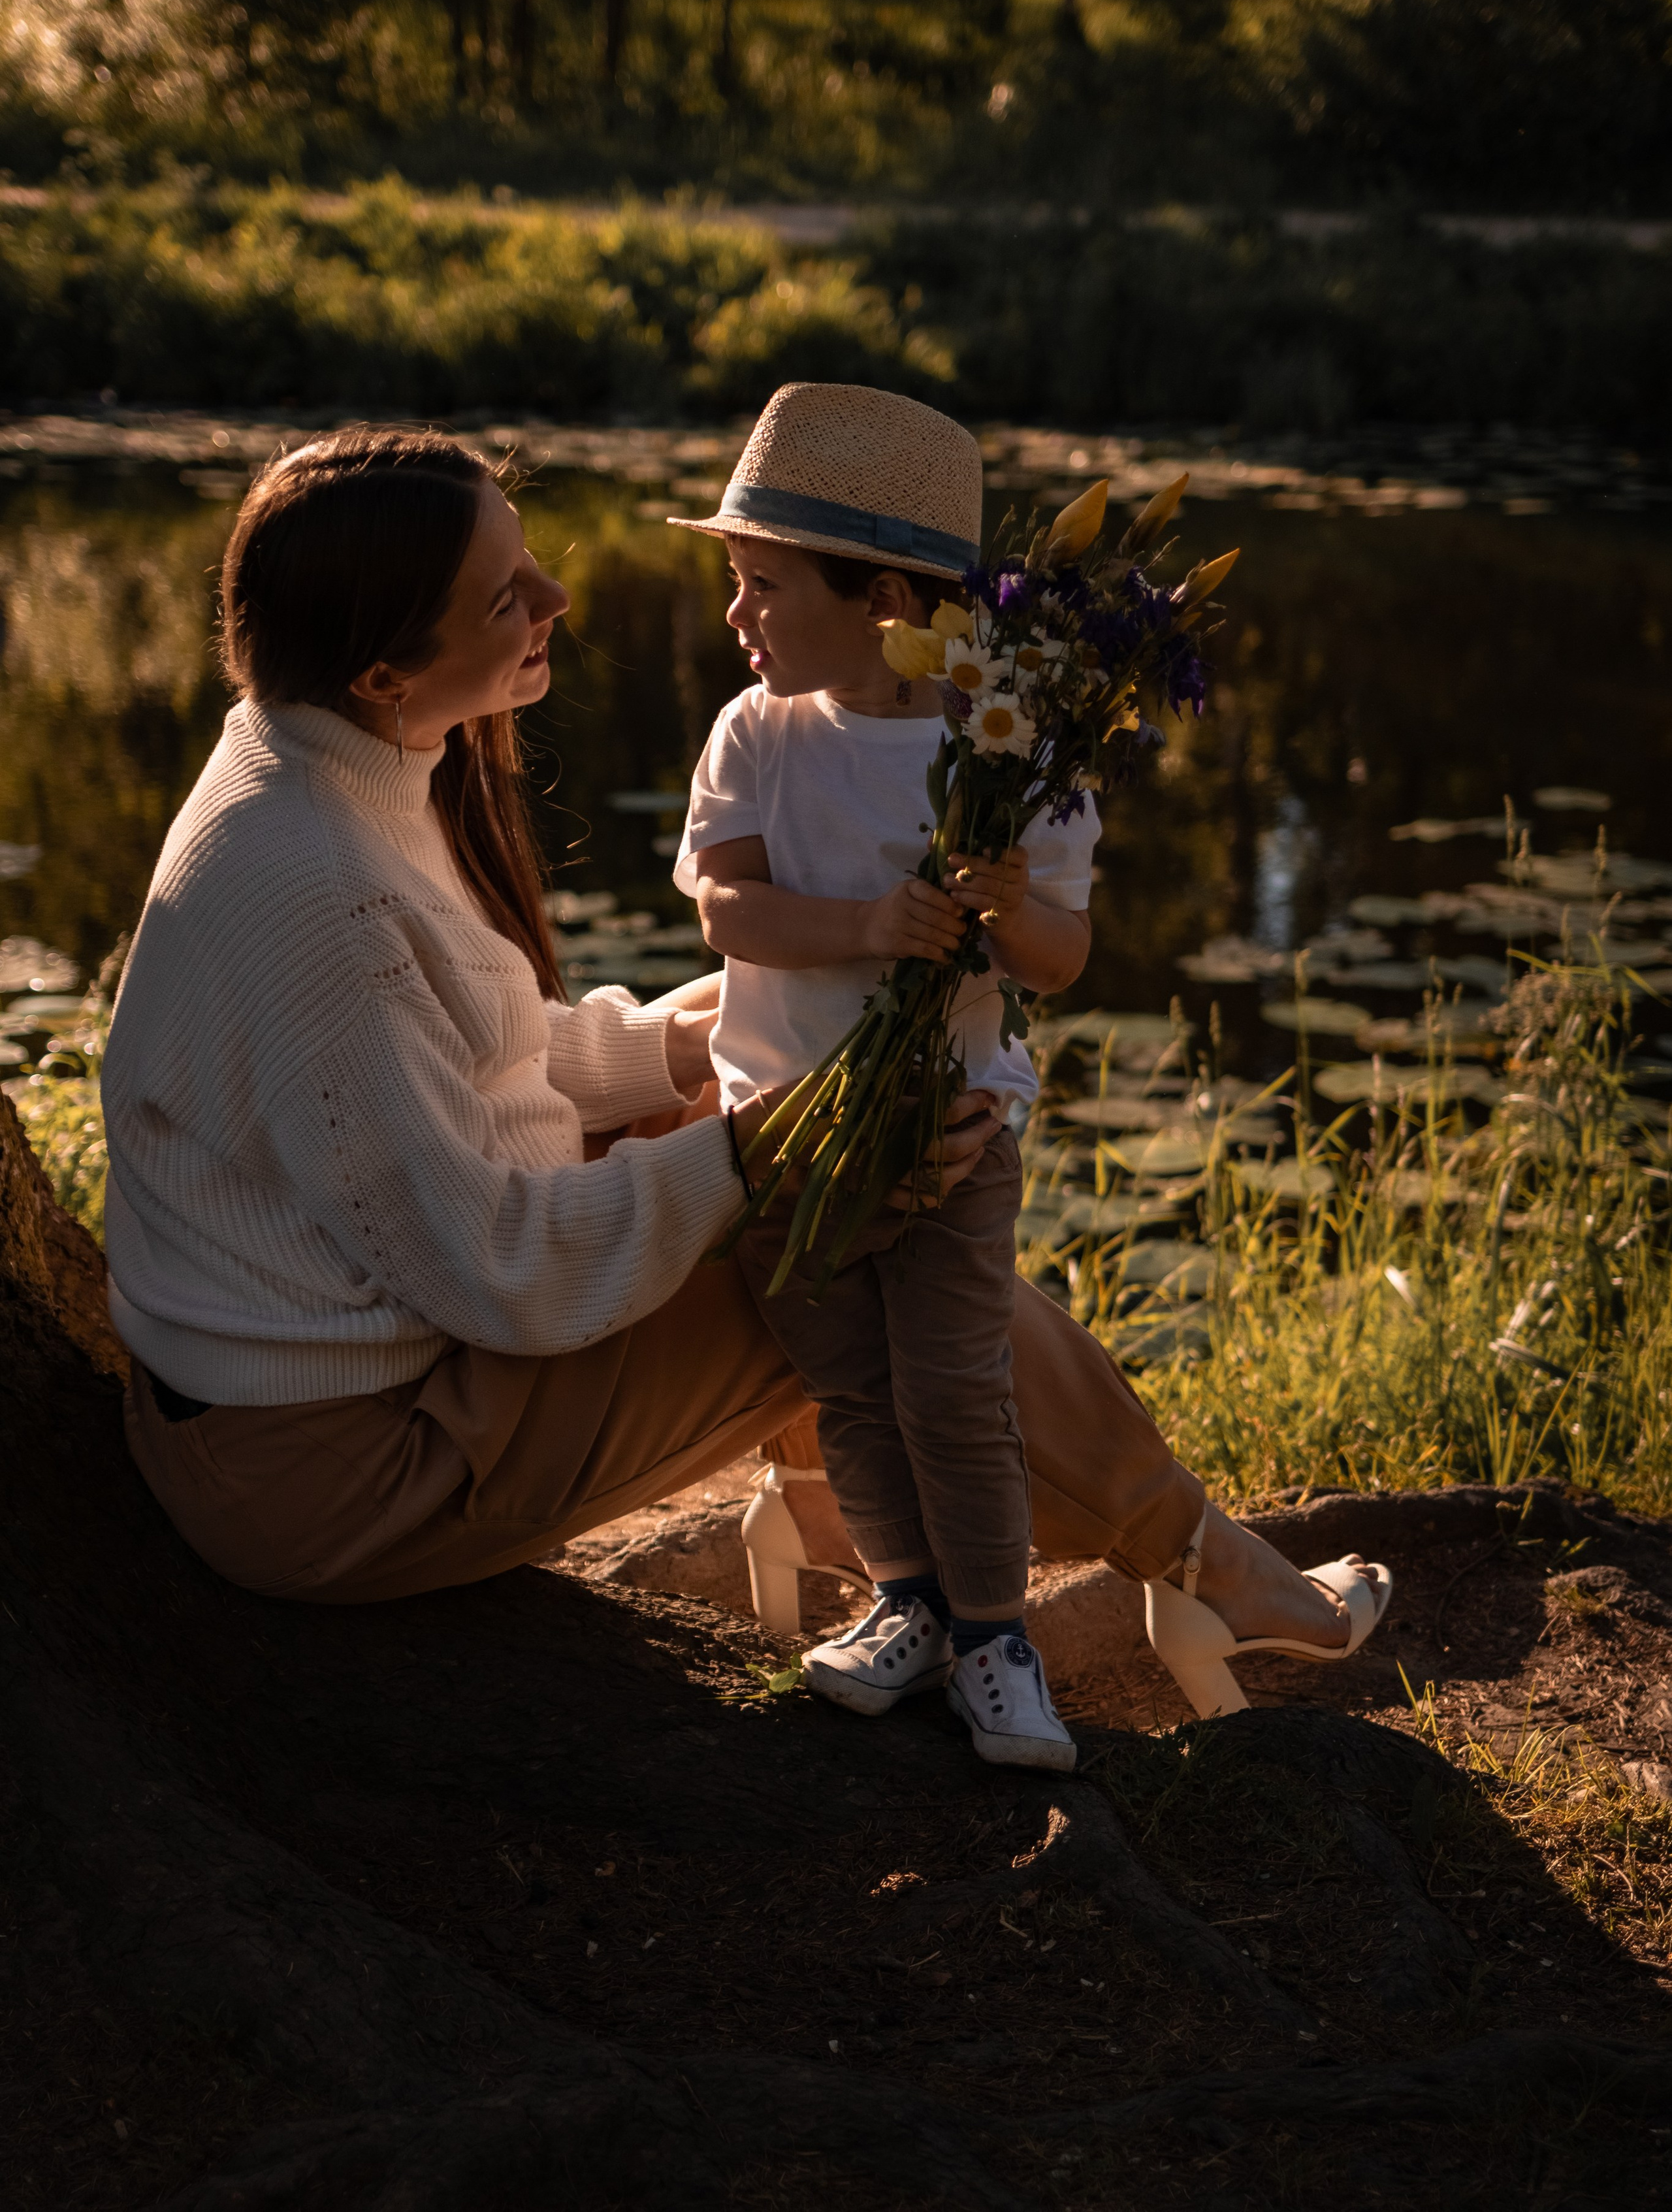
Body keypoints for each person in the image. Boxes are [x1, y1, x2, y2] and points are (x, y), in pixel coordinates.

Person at [104, 418, 1389, 1728]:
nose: (557, 596)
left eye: (531, 558)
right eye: (507, 594)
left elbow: (444, 1067)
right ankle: (1203, 1571)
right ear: (385, 669)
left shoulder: (305, 759)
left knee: (779, 1152)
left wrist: (687, 1048)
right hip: (340, 1473)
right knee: (840, 1230)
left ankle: (911, 1543)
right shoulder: (325, 892)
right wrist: (785, 1137)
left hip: (288, 1396)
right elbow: (495, 1261)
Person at [674, 383, 1097, 1769]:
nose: (736, 616)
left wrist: (1006, 899)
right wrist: (864, 925)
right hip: (784, 1129)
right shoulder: (754, 734)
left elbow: (1058, 959)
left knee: (950, 1386)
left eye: (760, 584)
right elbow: (727, 913)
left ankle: (995, 1637)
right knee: (845, 1380)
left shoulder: (1014, 748)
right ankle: (904, 1607)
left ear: (885, 599)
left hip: (957, 1128)